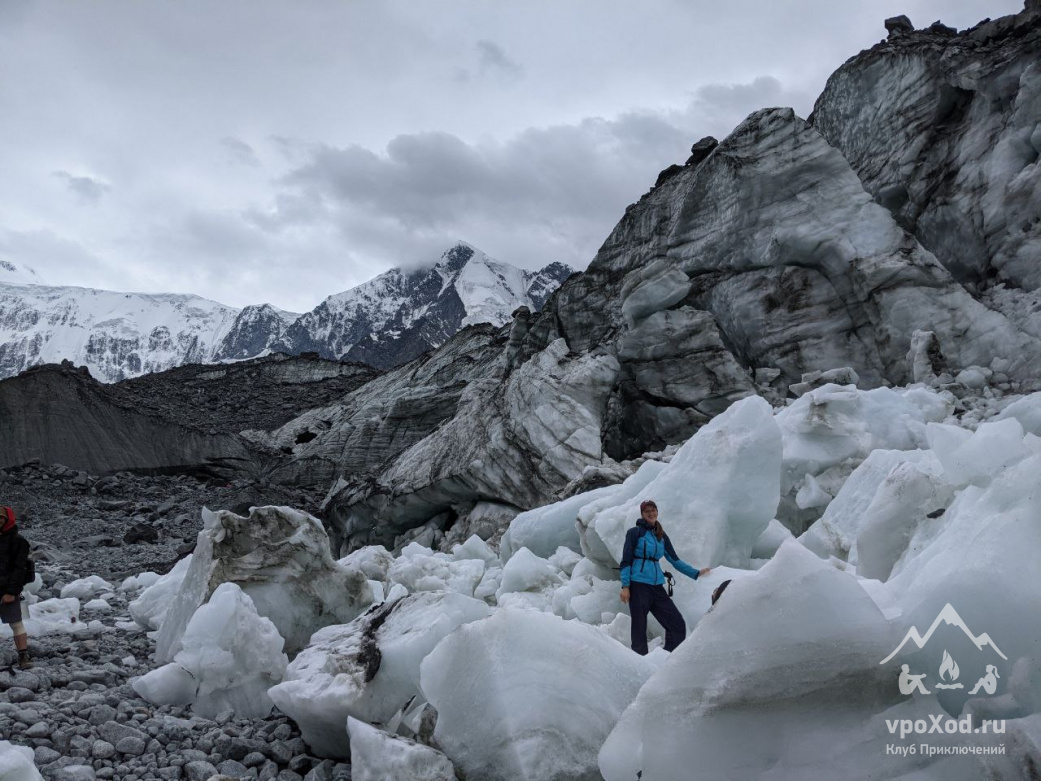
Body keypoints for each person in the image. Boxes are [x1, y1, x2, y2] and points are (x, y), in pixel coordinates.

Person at [619, 500, 711, 655]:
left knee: (677, 625)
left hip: (656, 587)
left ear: (657, 512)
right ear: (642, 514)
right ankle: (641, 665)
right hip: (638, 585)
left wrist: (695, 572)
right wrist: (625, 586)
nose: (651, 513)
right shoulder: (635, 533)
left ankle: (666, 659)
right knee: (639, 628)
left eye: (653, 510)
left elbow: (674, 559)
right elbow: (626, 560)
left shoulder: (660, 535)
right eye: (647, 511)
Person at [0, 506, 33, 670]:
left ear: (7, 519)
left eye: (0, 518)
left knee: (16, 623)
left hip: (7, 589)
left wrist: (11, 592)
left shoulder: (18, 541)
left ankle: (23, 655)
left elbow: (20, 569)